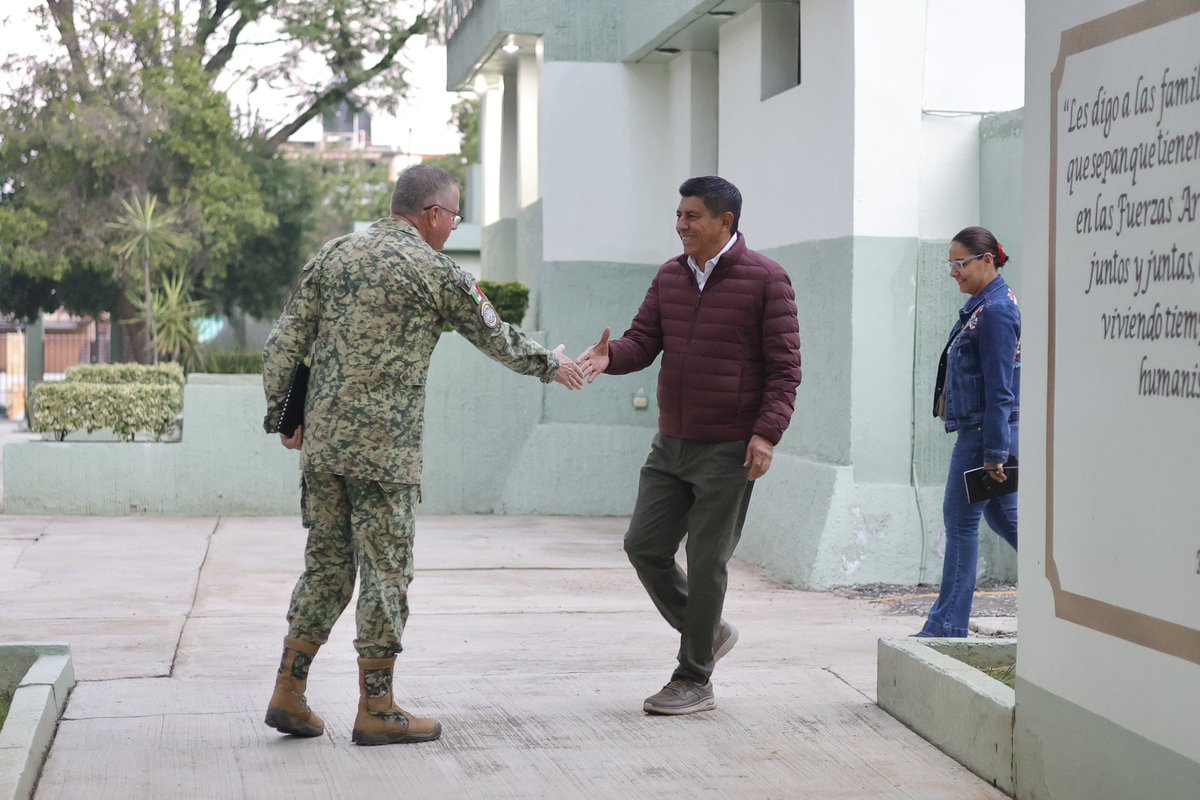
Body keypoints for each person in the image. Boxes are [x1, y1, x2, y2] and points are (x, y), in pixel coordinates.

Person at [260, 164, 584, 746]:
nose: (452, 228)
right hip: (387, 456)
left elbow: (285, 341)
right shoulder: (434, 270)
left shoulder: (333, 256)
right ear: (433, 215)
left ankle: (290, 689)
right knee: (385, 575)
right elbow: (496, 336)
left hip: (326, 451)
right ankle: (377, 708)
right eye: (454, 217)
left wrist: (282, 415)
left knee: (327, 569)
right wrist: (552, 364)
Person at [577, 175, 801, 715]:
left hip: (728, 449)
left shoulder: (767, 279)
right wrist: (613, 358)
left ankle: (693, 676)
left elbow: (785, 368)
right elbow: (644, 340)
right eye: (679, 215)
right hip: (671, 442)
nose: (681, 225)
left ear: (726, 221)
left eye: (692, 216)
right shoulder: (670, 276)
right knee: (644, 546)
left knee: (707, 562)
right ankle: (708, 632)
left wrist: (767, 433)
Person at [919, 226, 1020, 638]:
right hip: (988, 432)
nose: (953, 272)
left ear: (987, 261)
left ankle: (947, 626)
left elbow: (1001, 388)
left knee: (960, 523)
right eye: (951, 264)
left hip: (984, 437)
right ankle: (1068, 596)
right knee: (1005, 519)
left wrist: (994, 452)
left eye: (960, 264)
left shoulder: (995, 311)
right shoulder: (985, 305)